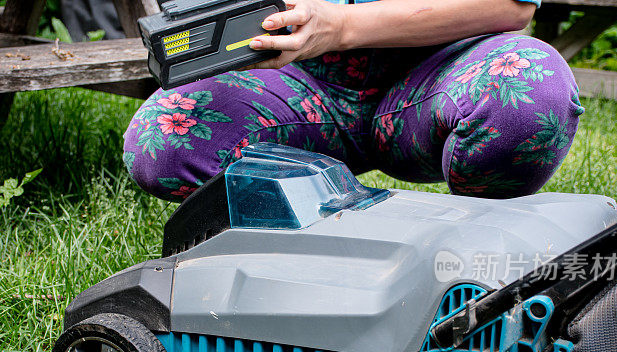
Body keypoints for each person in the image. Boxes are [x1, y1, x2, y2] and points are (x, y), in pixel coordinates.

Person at [123, 0, 583, 201]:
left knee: (529, 94)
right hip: (299, 80)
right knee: (161, 138)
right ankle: (314, 244)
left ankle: (470, 261)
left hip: (439, 74)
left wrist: (341, 25)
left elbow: (511, 5)